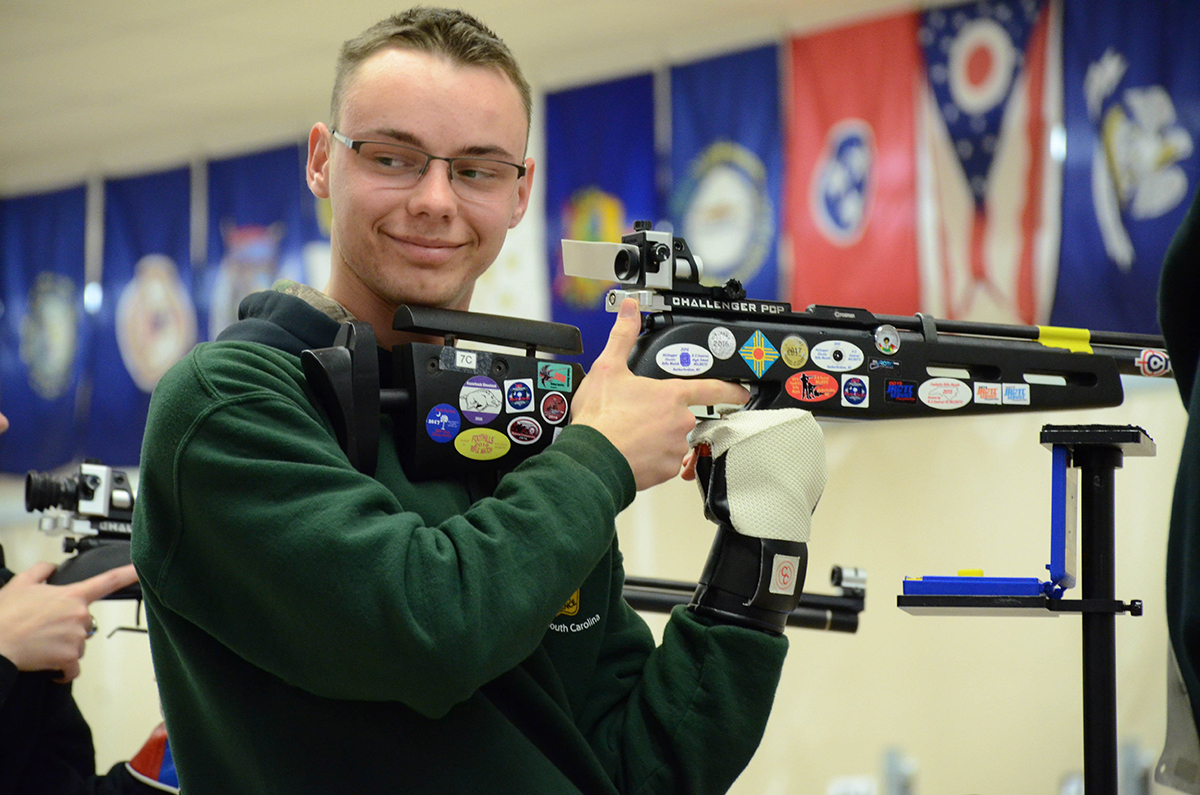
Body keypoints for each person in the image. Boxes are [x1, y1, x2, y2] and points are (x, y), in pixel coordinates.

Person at [133, 8, 817, 793]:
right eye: (394, 157)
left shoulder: (518, 427)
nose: (434, 199)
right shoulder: (227, 403)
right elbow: (429, 627)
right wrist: (597, 459)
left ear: (521, 191)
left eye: (476, 169)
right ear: (323, 161)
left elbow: (638, 768)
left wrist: (761, 544)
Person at [0, 406, 175, 794]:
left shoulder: (13, 596)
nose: (2, 422)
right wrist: (4, 646)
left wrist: (175, 756)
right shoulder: (11, 618)